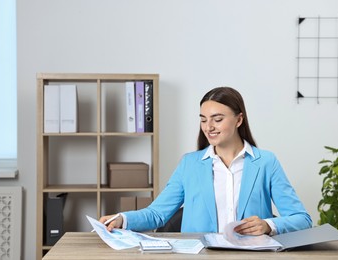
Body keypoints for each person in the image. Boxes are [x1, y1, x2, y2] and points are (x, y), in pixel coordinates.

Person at [99, 86, 312, 236]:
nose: (208, 126)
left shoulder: (266, 162)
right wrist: (122, 219)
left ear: (239, 120)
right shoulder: (189, 164)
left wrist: (268, 225)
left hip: (251, 256)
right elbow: (157, 214)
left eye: (217, 119)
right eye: (203, 119)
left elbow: (302, 219)